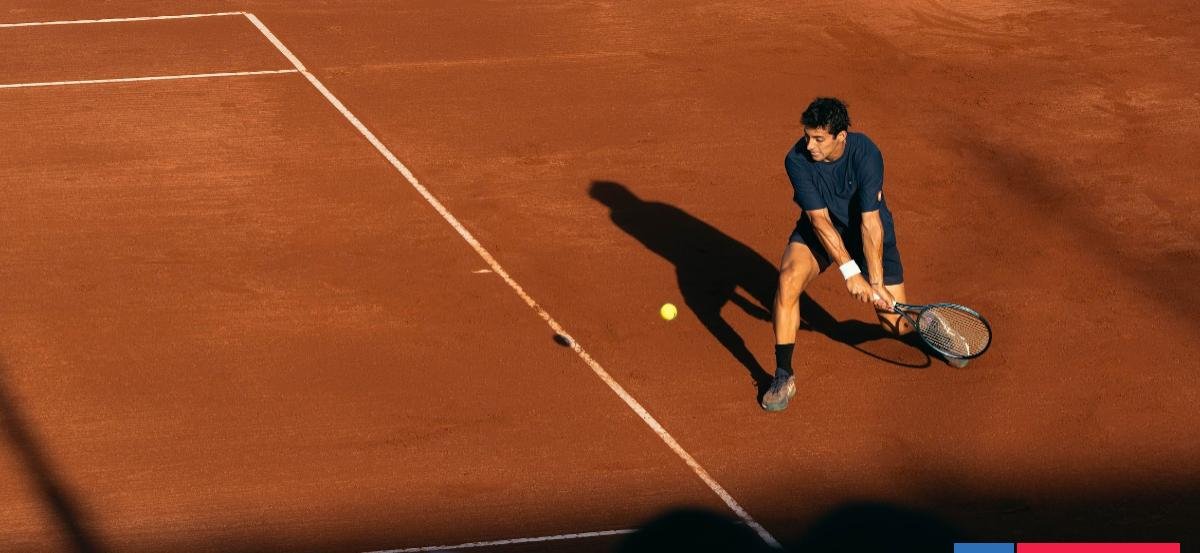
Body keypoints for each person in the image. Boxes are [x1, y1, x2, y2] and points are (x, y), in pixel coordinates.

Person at [762, 97, 964, 413]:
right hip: (821, 232)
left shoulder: (866, 153)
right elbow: (819, 220)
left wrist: (876, 281)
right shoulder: (797, 160)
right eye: (807, 136)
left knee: (895, 325)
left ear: (841, 137)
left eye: (818, 139)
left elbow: (870, 222)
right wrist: (850, 272)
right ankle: (783, 374)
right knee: (787, 282)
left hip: (866, 233)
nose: (809, 145)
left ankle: (929, 325)